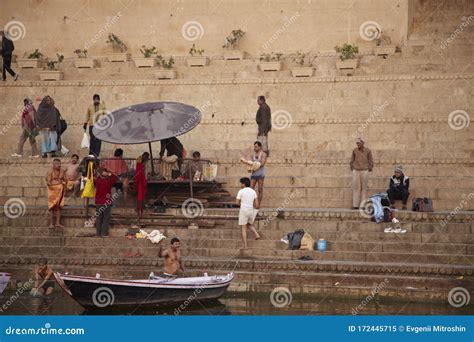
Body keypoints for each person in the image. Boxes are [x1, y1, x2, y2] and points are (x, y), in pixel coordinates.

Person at [236, 177, 261, 249]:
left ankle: (245, 246)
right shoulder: (253, 192)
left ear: (244, 184)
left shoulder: (241, 191)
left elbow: (237, 203)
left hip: (244, 210)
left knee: (243, 228)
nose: (240, 185)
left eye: (241, 183)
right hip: (251, 210)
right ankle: (256, 234)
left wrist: (243, 205)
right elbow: (256, 205)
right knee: (249, 224)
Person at [349, 138, 374, 209]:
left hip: (365, 170)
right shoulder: (355, 150)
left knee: (364, 188)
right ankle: (355, 205)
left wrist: (370, 167)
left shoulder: (368, 151)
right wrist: (352, 167)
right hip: (356, 170)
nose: (357, 144)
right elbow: (352, 160)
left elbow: (370, 160)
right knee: (356, 187)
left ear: (363, 143)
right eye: (357, 143)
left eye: (359, 143)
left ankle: (363, 205)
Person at [94, 167, 118, 237]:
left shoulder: (97, 181)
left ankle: (98, 234)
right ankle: (104, 234)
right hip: (106, 202)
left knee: (99, 218)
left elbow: (94, 178)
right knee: (106, 218)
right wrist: (109, 173)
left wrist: (99, 175)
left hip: (98, 202)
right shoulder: (109, 181)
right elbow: (115, 177)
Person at [46, 159, 66, 228]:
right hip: (52, 191)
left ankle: (57, 223)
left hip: (60, 191)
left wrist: (63, 182)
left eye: (60, 164)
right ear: (53, 165)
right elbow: (48, 183)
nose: (59, 165)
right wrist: (57, 183)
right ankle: (51, 224)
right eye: (57, 164)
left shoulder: (62, 171)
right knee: (51, 207)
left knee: (58, 207)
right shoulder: (50, 172)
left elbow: (65, 180)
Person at [134, 152, 149, 221]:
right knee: (140, 197)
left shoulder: (144, 164)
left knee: (141, 197)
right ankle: (139, 210)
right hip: (140, 181)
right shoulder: (139, 163)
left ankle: (140, 210)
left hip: (141, 182)